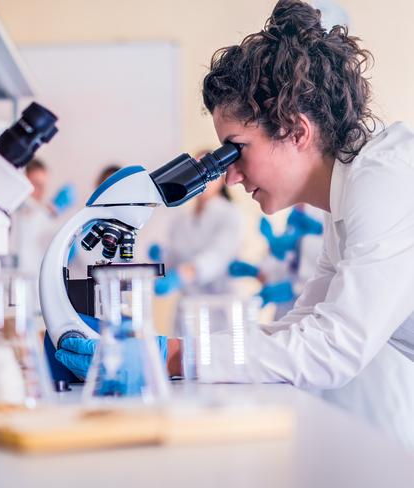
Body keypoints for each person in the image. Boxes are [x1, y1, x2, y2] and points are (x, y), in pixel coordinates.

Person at [55, 0, 414, 446]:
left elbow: (334, 347)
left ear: (296, 131)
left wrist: (173, 356)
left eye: (236, 149)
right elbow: (300, 324)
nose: (230, 174)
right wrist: (164, 349)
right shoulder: (346, 198)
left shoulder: (386, 179)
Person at [152, 150, 243, 296]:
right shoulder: (182, 219)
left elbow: (218, 256)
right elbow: (175, 258)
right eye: (196, 171)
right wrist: (162, 256)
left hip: (219, 304)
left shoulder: (228, 214)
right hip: (187, 304)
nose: (202, 177)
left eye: (208, 171)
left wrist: (182, 275)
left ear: (221, 178)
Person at [10, 159, 76, 278]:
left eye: (43, 186)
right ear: (24, 181)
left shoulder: (46, 219)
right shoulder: (10, 213)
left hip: (34, 287)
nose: (41, 191)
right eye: (36, 184)